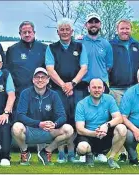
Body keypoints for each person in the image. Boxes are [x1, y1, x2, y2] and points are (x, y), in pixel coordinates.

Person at [45, 18, 88, 163]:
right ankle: (61, 153)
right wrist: (64, 85)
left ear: (72, 31)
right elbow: (49, 69)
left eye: (67, 29)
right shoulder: (51, 48)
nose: (64, 32)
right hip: (58, 90)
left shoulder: (80, 47)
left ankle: (72, 152)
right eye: (62, 30)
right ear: (57, 32)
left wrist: (72, 83)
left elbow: (84, 68)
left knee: (75, 121)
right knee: (61, 122)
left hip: (77, 90)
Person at [12, 67, 74, 166]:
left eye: (43, 77)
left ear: (48, 79)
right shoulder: (25, 93)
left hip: (48, 131)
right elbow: (20, 115)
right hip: (30, 130)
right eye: (37, 77)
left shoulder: (54, 95)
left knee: (69, 129)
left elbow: (62, 116)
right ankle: (25, 152)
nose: (40, 80)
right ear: (33, 80)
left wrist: (55, 124)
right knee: (16, 127)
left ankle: (46, 152)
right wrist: (38, 124)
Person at [74, 78, 127, 169]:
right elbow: (79, 129)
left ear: (103, 89)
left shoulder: (109, 99)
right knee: (82, 148)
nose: (97, 90)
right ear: (89, 89)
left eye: (99, 87)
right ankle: (89, 154)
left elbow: (119, 118)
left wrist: (106, 125)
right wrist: (95, 134)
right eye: (94, 87)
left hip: (104, 133)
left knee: (122, 128)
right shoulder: (81, 104)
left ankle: (111, 158)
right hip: (89, 135)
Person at [6, 21, 47, 101]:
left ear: (34, 32)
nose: (27, 34)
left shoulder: (44, 49)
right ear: (20, 33)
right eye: (24, 32)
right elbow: (8, 72)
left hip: (40, 93)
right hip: (19, 95)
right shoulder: (12, 50)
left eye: (29, 32)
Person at [109, 19, 139, 104]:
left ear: (131, 30)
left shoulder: (137, 45)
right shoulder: (110, 45)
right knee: (119, 116)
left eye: (127, 29)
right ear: (117, 30)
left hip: (134, 88)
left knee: (133, 115)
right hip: (116, 90)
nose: (125, 31)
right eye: (122, 29)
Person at [79, 13, 114, 95]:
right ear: (86, 25)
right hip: (83, 85)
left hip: (101, 85)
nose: (93, 24)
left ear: (100, 24)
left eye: (96, 22)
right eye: (90, 22)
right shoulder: (79, 43)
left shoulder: (106, 44)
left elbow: (109, 67)